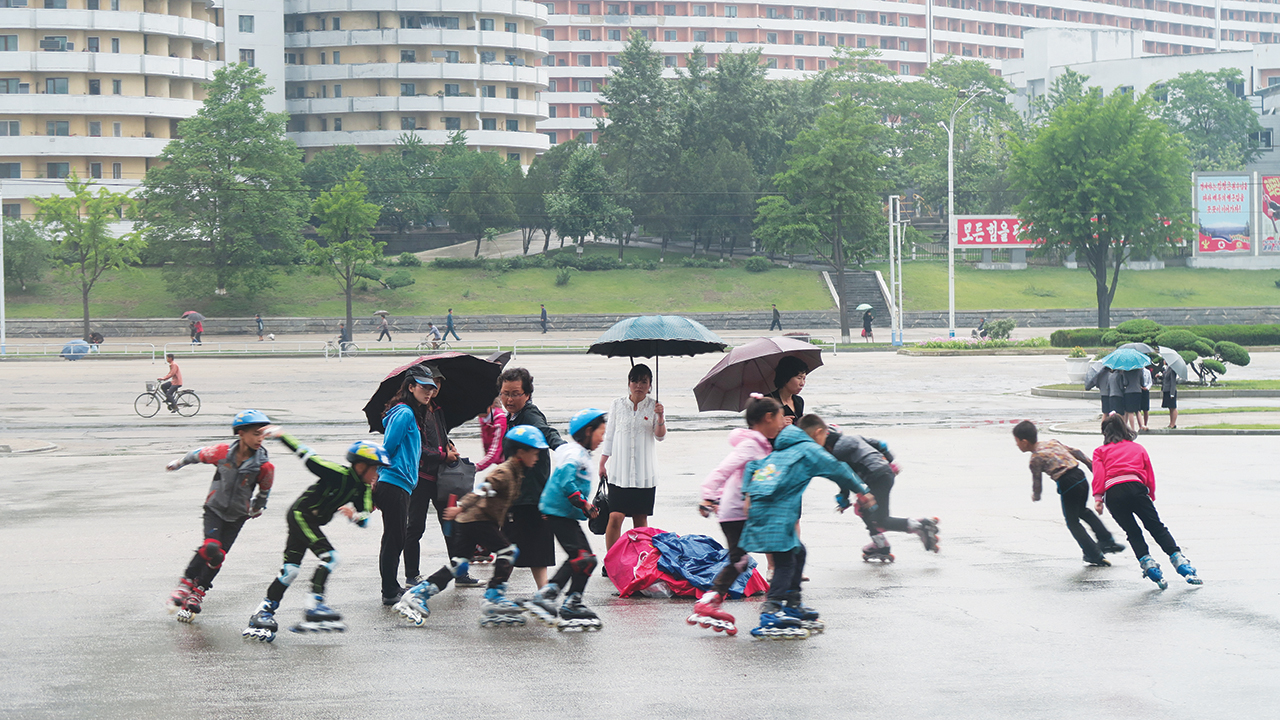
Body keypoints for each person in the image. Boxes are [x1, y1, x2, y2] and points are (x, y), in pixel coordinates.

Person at [394, 426, 548, 627]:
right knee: (508, 552)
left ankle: (418, 594)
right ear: (521, 452)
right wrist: (461, 507)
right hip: (477, 519)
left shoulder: (517, 471)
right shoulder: (505, 472)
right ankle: (494, 598)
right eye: (534, 453)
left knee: (459, 565)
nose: (537, 458)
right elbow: (482, 490)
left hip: (471, 521)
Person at [243, 433, 388, 642]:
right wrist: (282, 435)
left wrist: (355, 516)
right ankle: (314, 604)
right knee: (331, 557)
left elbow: (365, 518)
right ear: (360, 466)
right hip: (301, 514)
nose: (377, 474)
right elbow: (308, 455)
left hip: (310, 521)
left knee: (290, 571)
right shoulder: (338, 473)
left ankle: (263, 611)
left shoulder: (363, 489)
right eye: (375, 468)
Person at [738, 420, 875, 639]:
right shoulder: (809, 449)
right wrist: (862, 491)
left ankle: (793, 604)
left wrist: (747, 493)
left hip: (763, 510)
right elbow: (838, 469)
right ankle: (770, 612)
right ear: (818, 432)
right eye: (823, 438)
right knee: (785, 561)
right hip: (776, 512)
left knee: (798, 552)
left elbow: (752, 466)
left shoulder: (782, 449)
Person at [687, 395, 786, 635]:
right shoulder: (751, 445)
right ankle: (779, 605)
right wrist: (709, 495)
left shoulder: (761, 444)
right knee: (781, 550)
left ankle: (711, 600)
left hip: (740, 511)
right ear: (768, 418)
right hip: (736, 512)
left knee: (740, 560)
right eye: (781, 416)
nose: (784, 422)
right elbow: (724, 469)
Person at [165, 410, 275, 622]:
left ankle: (198, 592)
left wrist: (258, 507)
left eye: (262, 434)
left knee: (219, 556)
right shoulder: (223, 453)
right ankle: (186, 583)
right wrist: (179, 463)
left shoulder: (263, 465)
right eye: (255, 434)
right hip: (214, 509)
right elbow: (198, 454)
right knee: (211, 547)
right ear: (241, 433)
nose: (260, 439)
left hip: (238, 516)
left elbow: (264, 490)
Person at [800, 415, 940, 562]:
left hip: (875, 477)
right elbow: (881, 444)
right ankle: (880, 543)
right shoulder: (855, 438)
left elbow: (844, 476)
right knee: (864, 510)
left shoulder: (836, 452)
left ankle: (921, 525)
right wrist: (890, 461)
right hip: (883, 473)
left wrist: (843, 498)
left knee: (881, 520)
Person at [521, 408, 607, 631]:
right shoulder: (575, 455)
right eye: (601, 432)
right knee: (581, 558)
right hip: (558, 513)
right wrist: (584, 503)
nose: (602, 438)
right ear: (588, 431)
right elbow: (565, 481)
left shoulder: (577, 452)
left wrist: (584, 509)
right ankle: (549, 597)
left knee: (586, 559)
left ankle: (571, 601)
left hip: (562, 514)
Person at [1092, 415, 1202, 588]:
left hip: (1113, 494)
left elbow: (1099, 475)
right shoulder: (1137, 448)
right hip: (1136, 489)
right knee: (1156, 527)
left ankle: (1149, 567)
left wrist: (1098, 498)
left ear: (1104, 433)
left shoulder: (1100, 451)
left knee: (1133, 532)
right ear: (1124, 428)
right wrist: (1151, 493)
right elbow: (1148, 471)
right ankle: (1181, 563)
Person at [1012, 420, 1124, 567]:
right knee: (1083, 511)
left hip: (1067, 483)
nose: (1017, 445)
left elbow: (1037, 481)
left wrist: (1036, 495)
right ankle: (1106, 540)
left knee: (1072, 522)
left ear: (1025, 442)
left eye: (1017, 441)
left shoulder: (1035, 458)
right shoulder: (1052, 442)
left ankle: (1093, 553)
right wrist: (1090, 465)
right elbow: (1076, 452)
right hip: (1080, 477)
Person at [403, 367, 471, 588]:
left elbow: (440, 435)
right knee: (415, 527)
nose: (433, 390)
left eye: (437, 385)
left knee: (451, 524)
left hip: (442, 477)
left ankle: (460, 573)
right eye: (429, 385)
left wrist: (448, 445)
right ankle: (411, 575)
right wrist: (444, 455)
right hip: (421, 478)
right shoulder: (413, 412)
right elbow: (418, 448)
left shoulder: (437, 409)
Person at [498, 367, 565, 588]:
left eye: (515, 393)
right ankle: (498, 593)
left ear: (527, 394)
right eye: (505, 393)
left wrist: (562, 448)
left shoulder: (530, 415)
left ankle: (540, 593)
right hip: (517, 496)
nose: (509, 399)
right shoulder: (512, 418)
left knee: (534, 550)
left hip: (532, 496)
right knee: (508, 548)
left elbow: (545, 431)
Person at [375, 365, 432, 605]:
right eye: (423, 387)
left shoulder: (411, 413)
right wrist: (376, 476)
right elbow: (388, 447)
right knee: (394, 539)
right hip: (394, 482)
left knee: (394, 538)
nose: (428, 392)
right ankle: (389, 590)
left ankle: (391, 587)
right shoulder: (405, 413)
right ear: (410, 387)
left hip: (401, 484)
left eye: (432, 388)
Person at [599, 363, 666, 557]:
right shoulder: (617, 404)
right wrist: (603, 462)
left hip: (644, 473)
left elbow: (660, 436)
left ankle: (641, 561)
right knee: (615, 517)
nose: (639, 385)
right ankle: (612, 560)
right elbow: (609, 435)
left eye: (643, 381)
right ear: (628, 383)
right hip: (620, 472)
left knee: (640, 519)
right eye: (635, 380)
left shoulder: (655, 406)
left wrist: (660, 416)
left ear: (650, 384)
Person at [769, 355, 808, 425]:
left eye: (804, 378)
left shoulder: (799, 401)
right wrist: (777, 424)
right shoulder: (768, 402)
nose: (802, 383)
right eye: (799, 378)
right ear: (786, 377)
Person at [476, 396, 507, 471]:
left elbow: (495, 451)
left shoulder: (500, 421)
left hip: (510, 461)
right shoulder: (483, 418)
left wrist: (476, 467)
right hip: (501, 462)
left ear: (491, 404)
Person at [1122, 366, 1143, 433]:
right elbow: (1142, 382)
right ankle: (1141, 426)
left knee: (1130, 411)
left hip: (1129, 392)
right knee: (1138, 410)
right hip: (1138, 391)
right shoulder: (1139, 371)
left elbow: (1125, 382)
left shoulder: (1126, 371)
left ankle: (1132, 429)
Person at [1160, 360, 1179, 429]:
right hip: (1166, 390)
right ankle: (1171, 423)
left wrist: (1172, 393)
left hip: (1170, 391)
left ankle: (1173, 423)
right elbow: (1165, 379)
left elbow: (1173, 382)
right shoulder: (1167, 368)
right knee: (1170, 407)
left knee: (1173, 407)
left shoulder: (1172, 369)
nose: (1164, 361)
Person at [1140, 362, 1154, 431]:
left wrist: (1147, 388)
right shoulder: (1137, 372)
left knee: (1145, 409)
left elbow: (1150, 382)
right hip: (1139, 390)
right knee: (1138, 409)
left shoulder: (1147, 371)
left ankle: (1145, 423)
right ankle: (1140, 424)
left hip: (1145, 390)